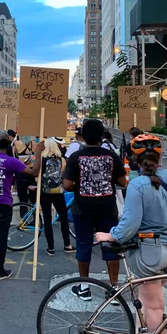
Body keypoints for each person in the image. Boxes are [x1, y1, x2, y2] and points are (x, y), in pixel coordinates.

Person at [96, 134, 167, 334]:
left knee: (153, 305)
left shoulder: (137, 185)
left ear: (135, 161)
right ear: (160, 157)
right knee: (149, 301)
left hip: (149, 253)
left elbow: (130, 223)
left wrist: (111, 235)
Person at [62, 119, 127, 299]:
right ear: (101, 136)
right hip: (107, 207)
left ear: (83, 136)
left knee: (83, 245)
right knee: (111, 246)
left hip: (82, 208)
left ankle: (84, 286)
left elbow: (67, 184)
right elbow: (122, 181)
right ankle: (113, 288)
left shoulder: (76, 157)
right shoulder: (111, 156)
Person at [0, 131, 43, 280]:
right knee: (2, 236)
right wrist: (38, 152)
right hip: (4, 202)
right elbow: (34, 172)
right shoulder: (10, 161)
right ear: (8, 145)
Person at [39, 138, 75, 256]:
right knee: (63, 218)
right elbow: (63, 175)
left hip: (45, 192)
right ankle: (67, 245)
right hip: (58, 192)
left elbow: (37, 177)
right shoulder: (62, 160)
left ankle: (51, 247)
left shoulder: (42, 160)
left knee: (47, 220)